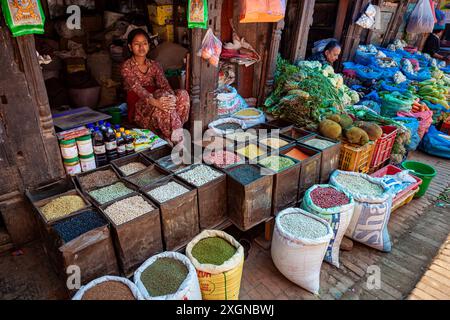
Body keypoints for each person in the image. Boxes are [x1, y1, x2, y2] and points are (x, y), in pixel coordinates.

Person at [121, 28, 190, 144]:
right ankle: (178, 138)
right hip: (140, 105)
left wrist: (171, 97)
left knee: (182, 94)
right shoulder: (126, 67)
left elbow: (165, 85)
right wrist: (157, 102)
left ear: (148, 45)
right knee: (162, 100)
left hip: (159, 100)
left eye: (144, 43)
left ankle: (171, 134)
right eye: (137, 44)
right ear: (130, 47)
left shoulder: (155, 65)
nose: (141, 47)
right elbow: (138, 90)